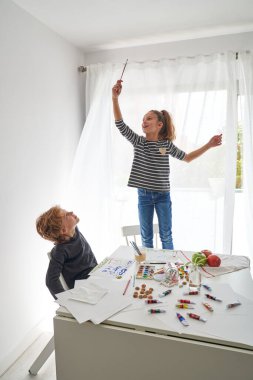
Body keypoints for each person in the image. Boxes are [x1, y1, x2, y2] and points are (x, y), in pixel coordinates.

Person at [112, 79, 222, 250]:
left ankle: (169, 268)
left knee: (166, 235)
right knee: (146, 237)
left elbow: (188, 157)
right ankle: (149, 268)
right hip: (144, 196)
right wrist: (115, 98)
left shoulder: (166, 145)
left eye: (149, 118)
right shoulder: (138, 141)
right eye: (143, 119)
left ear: (159, 124)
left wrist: (208, 145)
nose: (144, 121)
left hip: (163, 195)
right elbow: (120, 124)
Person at [36, 206, 97, 299]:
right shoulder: (60, 251)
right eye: (66, 215)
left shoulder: (74, 230)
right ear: (64, 230)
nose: (71, 212)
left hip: (97, 274)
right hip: (86, 289)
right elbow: (51, 281)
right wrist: (66, 302)